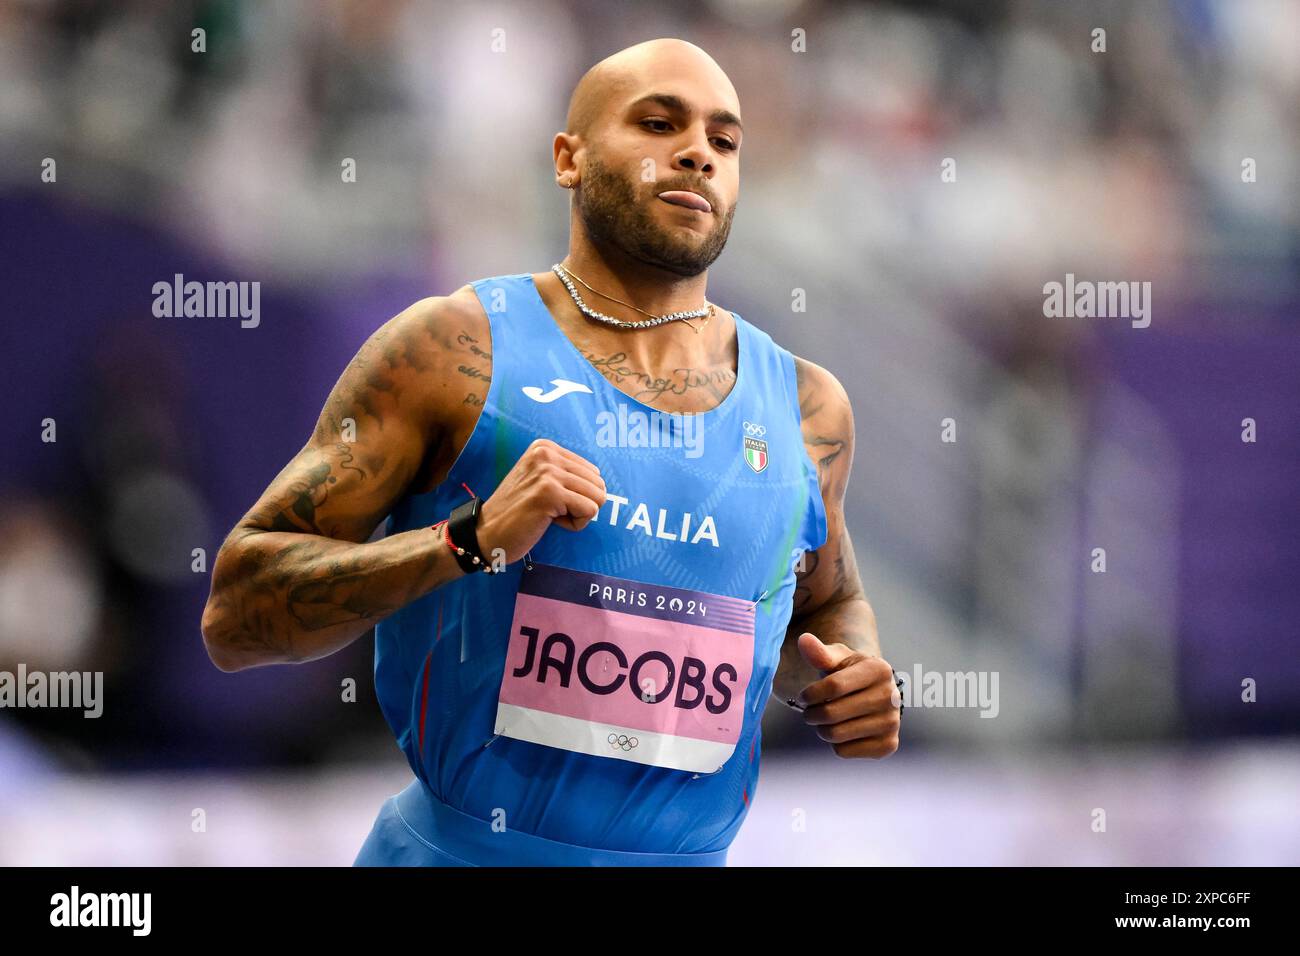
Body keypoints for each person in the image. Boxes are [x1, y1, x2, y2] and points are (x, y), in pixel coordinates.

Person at [200, 37, 899, 867]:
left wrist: (852, 674)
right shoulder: (453, 352)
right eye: (658, 122)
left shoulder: (808, 409)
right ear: (568, 159)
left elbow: (827, 605)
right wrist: (464, 542)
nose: (697, 154)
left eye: (725, 140)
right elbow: (235, 617)